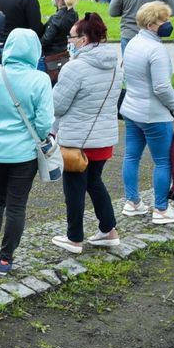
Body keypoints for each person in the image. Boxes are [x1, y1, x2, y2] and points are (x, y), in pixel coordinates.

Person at [0, 30, 54, 274]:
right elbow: (45, 120)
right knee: (17, 205)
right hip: (25, 154)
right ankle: (6, 259)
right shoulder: (40, 80)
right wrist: (34, 136)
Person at [50, 14, 121, 253]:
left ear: (83, 38)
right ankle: (109, 229)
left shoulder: (75, 67)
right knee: (94, 182)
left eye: (71, 36)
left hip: (78, 141)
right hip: (103, 138)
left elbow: (57, 105)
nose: (68, 41)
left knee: (74, 188)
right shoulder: (114, 65)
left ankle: (74, 238)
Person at [119, 1, 174, 224]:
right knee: (163, 161)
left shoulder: (132, 43)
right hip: (154, 114)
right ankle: (161, 208)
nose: (168, 24)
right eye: (164, 21)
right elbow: (161, 87)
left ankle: (133, 202)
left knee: (131, 156)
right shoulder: (156, 50)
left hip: (131, 109)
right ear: (151, 24)